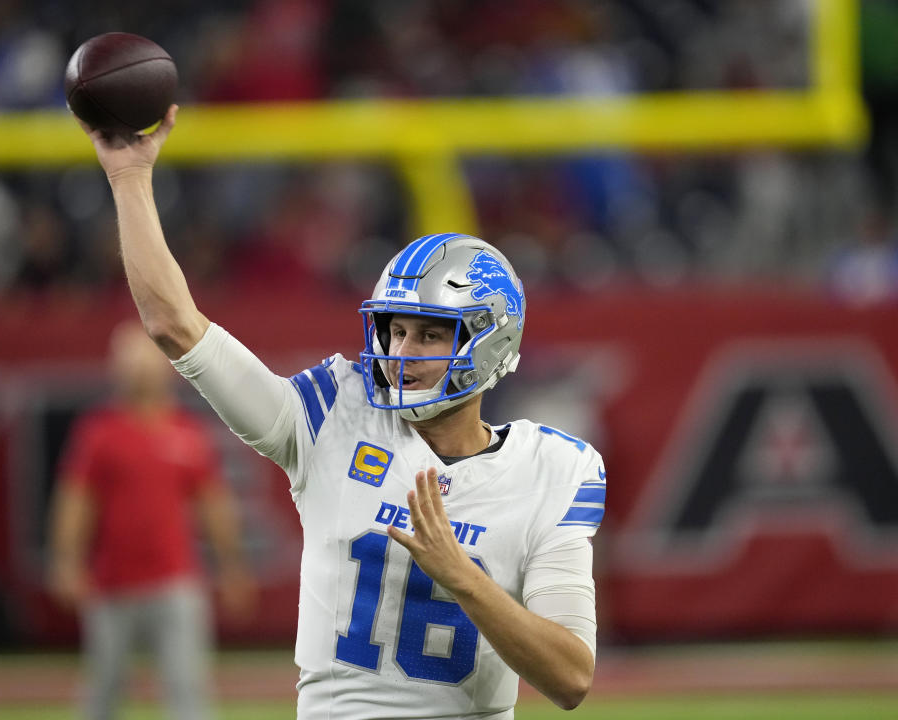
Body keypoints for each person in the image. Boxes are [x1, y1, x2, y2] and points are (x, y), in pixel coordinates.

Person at [78, 106, 604, 718]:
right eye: (394, 331)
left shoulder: (552, 469)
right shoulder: (334, 414)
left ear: (488, 342)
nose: (401, 355)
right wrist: (129, 179)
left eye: (429, 336)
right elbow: (174, 325)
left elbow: (571, 677)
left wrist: (463, 577)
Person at [48, 321, 255, 720]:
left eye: (145, 358)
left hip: (175, 582)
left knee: (187, 691)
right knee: (103, 692)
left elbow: (214, 505)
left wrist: (232, 565)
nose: (138, 368)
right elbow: (75, 502)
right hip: (111, 586)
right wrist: (66, 560)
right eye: (129, 359)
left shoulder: (188, 434)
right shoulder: (99, 434)